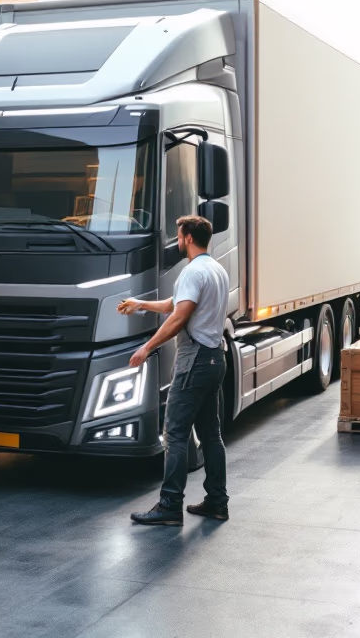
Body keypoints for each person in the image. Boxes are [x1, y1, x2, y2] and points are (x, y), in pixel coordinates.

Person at [118, 215, 230, 525]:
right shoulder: (216, 269)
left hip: (193, 360)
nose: (177, 242)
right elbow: (174, 303)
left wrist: (146, 347)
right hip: (214, 358)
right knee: (211, 434)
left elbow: (179, 318)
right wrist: (141, 303)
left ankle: (169, 506)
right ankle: (217, 501)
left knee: (176, 434)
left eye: (179, 237)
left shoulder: (192, 272)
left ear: (189, 239)